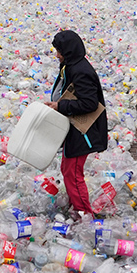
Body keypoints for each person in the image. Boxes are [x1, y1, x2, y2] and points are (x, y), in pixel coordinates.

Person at [45, 30, 108, 217]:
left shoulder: (80, 71)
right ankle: (77, 206)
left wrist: (60, 105)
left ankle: (85, 215)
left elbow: (89, 103)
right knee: (67, 169)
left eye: (59, 51)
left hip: (83, 132)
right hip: (73, 129)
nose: (57, 55)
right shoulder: (71, 66)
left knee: (73, 173)